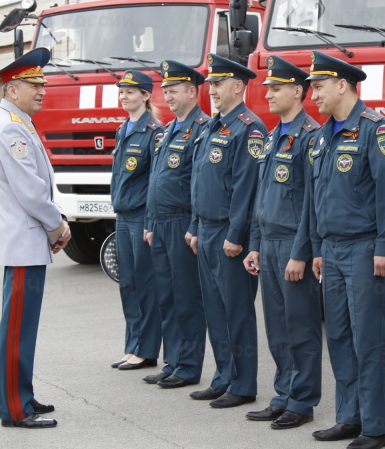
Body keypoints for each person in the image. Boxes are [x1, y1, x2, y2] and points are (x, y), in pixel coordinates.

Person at [304, 51, 385, 449]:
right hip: (331, 249)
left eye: (318, 86)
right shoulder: (323, 134)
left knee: (369, 339)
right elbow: (317, 198)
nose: (313, 95)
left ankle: (377, 427)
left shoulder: (375, 129)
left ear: (342, 84)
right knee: (340, 337)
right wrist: (316, 249)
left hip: (364, 251)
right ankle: (349, 416)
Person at [0, 47, 71, 429]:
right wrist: (58, 225)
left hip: (28, 242)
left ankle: (24, 395)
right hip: (23, 243)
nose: (42, 91)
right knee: (17, 329)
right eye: (33, 85)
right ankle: (15, 409)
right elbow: (31, 191)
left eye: (42, 84)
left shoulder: (17, 123)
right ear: (11, 89)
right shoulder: (9, 128)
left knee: (24, 328)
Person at [243, 55, 322, 429]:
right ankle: (282, 394)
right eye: (267, 88)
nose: (268, 94)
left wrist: (301, 252)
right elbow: (263, 196)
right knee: (276, 327)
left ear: (297, 90)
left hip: (293, 245)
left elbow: (312, 202)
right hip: (269, 244)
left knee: (301, 326)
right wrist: (255, 243)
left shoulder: (311, 136)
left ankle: (302, 401)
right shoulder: (274, 134)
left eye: (275, 88)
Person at [186, 53, 267, 408]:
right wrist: (193, 226)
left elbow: (247, 189)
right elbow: (199, 181)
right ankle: (222, 376)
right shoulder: (211, 126)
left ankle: (243, 383)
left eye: (217, 84)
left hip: (228, 234)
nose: (212, 91)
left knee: (236, 310)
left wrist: (236, 234)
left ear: (238, 86)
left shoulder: (249, 128)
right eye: (211, 85)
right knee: (214, 309)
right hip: (205, 229)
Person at [141, 61, 209, 389]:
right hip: (161, 224)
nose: (167, 95)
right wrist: (151, 222)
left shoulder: (202, 128)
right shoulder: (168, 129)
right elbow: (157, 178)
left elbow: (199, 184)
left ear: (193, 92)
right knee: (166, 296)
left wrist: (194, 226)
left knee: (185, 297)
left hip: (182, 222)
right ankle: (173, 361)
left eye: (174, 89)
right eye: (164, 90)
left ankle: (189, 366)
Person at [110, 70, 163, 371]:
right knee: (127, 282)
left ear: (145, 95)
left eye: (131, 92)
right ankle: (132, 346)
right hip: (123, 215)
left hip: (141, 215)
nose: (124, 97)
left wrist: (151, 221)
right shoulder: (123, 129)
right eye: (121, 92)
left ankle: (146, 349)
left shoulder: (154, 131)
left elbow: (156, 181)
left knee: (144, 282)